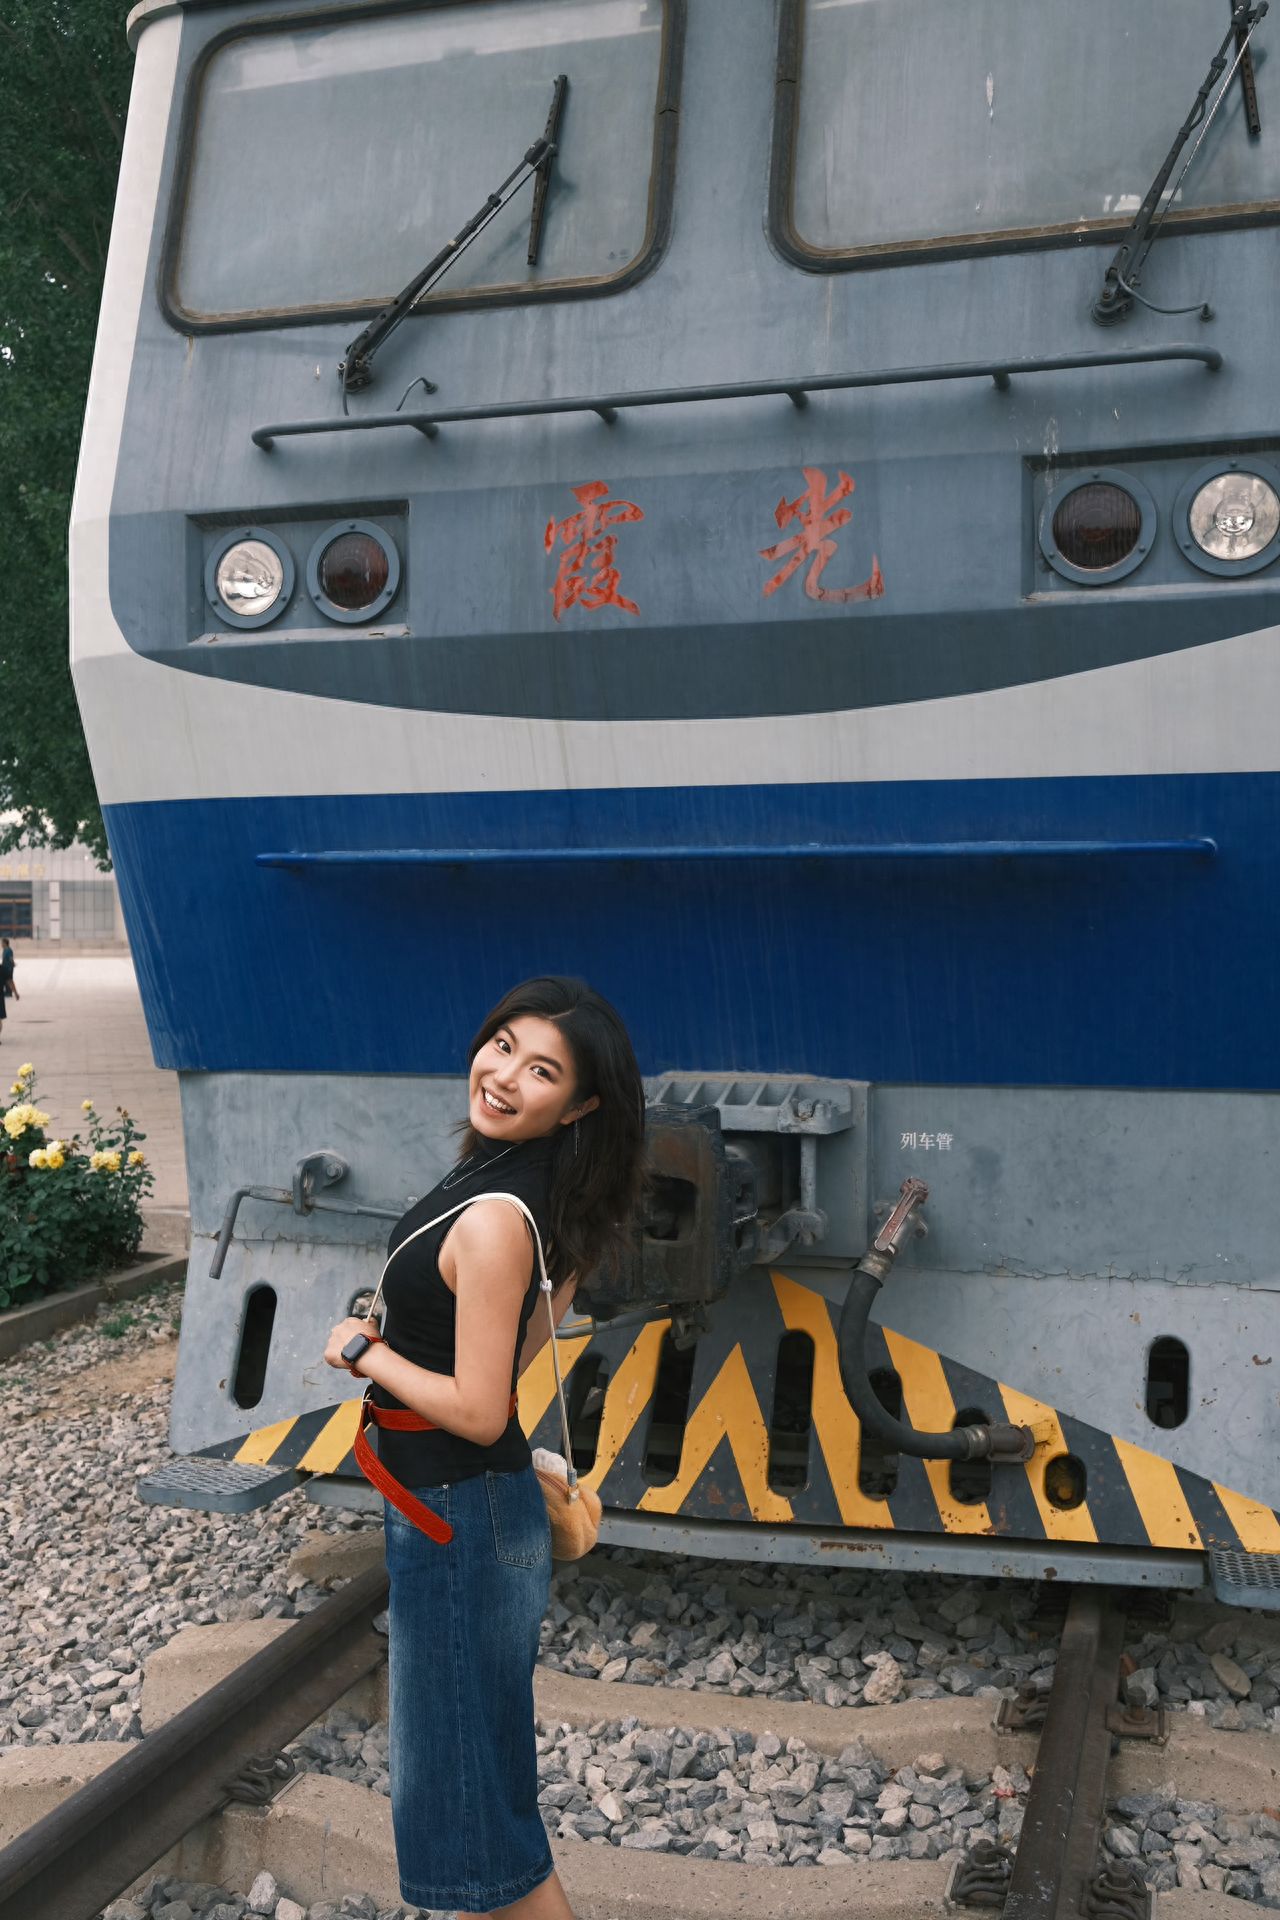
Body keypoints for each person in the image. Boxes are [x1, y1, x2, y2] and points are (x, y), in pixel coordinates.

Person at [325, 976, 645, 1919]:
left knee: (474, 1820)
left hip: (459, 1516)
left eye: (540, 1069)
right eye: (501, 1045)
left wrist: (366, 1352)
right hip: (458, 1516)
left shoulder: (499, 1215)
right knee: (472, 1802)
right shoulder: (520, 1178)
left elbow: (476, 1406)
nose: (503, 1075)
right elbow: (533, 1328)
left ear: (580, 1104)